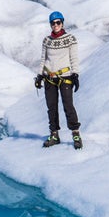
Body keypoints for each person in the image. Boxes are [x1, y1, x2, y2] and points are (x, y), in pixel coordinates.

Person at [34, 11, 82, 149]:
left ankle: (76, 134)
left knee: (68, 106)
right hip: (49, 78)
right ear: (50, 24)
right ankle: (54, 135)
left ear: (62, 23)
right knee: (52, 107)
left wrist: (76, 74)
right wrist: (39, 75)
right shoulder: (46, 40)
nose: (56, 25)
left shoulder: (70, 39)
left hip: (65, 77)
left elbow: (74, 58)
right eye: (53, 23)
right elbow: (43, 59)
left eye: (58, 22)